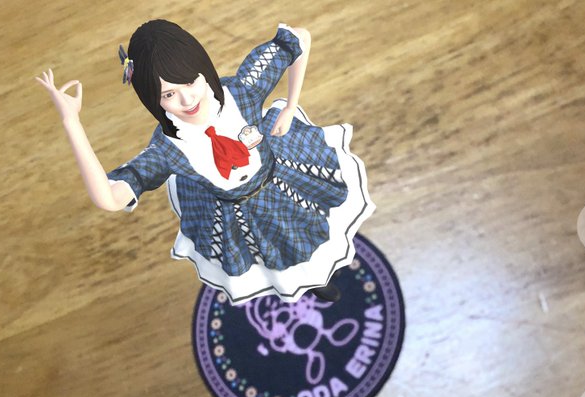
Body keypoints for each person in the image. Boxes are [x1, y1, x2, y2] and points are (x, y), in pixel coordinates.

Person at [36, 19, 375, 305]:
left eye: (190, 80)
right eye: (168, 94)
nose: (187, 99)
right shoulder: (166, 150)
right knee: (278, 252)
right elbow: (110, 199)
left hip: (280, 177)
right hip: (235, 212)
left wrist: (290, 105)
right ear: (152, 99)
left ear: (203, 69)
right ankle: (313, 284)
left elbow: (299, 38)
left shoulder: (243, 90)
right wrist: (71, 122)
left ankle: (325, 269)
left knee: (314, 225)